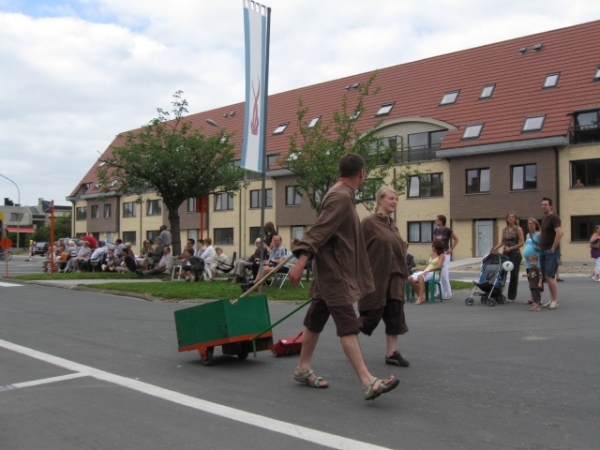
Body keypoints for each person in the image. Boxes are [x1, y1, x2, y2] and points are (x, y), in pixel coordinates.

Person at [288, 153, 399, 401]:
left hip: (329, 270)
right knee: (348, 324)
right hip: (334, 273)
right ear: (361, 173)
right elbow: (320, 230)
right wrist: (301, 260)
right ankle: (368, 381)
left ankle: (303, 368)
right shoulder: (340, 197)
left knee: (315, 318)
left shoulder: (337, 192)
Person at [358, 186, 410, 368]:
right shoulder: (368, 223)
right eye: (390, 198)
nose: (394, 201)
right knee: (372, 315)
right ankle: (349, 337)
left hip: (395, 276)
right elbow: (358, 249)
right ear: (380, 200)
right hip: (376, 277)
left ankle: (391, 353)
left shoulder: (393, 224)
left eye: (396, 199)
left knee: (395, 314)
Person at [491, 211, 524, 302]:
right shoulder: (504, 229)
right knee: (501, 274)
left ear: (515, 219)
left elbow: (521, 243)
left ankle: (511, 296)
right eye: (509, 217)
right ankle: (498, 293)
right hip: (505, 253)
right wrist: (494, 248)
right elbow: (502, 242)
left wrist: (512, 248)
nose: (511, 218)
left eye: (513, 217)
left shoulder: (518, 229)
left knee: (514, 275)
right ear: (507, 219)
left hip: (515, 253)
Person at [539, 197, 563, 310]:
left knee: (550, 275)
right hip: (543, 250)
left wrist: (553, 248)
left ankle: (555, 300)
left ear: (551, 206)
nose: (543, 206)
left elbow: (559, 233)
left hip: (550, 251)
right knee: (547, 276)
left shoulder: (554, 218)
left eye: (546, 205)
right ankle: (552, 298)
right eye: (542, 205)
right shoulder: (544, 218)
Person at [408, 240, 446, 305]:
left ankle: (420, 298)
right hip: (426, 272)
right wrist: (417, 268)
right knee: (410, 278)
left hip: (434, 273)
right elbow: (425, 267)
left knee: (420, 276)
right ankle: (420, 296)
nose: (432, 247)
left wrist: (428, 271)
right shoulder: (432, 254)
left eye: (433, 246)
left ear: (436, 247)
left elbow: (438, 266)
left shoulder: (442, 255)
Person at [433, 214, 459, 300]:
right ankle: (438, 292)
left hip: (445, 253)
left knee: (444, 274)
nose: (436, 221)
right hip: (438, 254)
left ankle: (448, 293)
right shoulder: (436, 231)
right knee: (438, 273)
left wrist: (451, 248)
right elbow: (435, 242)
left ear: (441, 221)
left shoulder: (448, 230)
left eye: (437, 220)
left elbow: (456, 239)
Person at [522, 218, 541, 304]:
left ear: (536, 224)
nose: (530, 225)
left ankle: (537, 298)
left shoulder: (538, 234)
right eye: (529, 223)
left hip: (536, 261)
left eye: (532, 223)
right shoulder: (528, 235)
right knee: (531, 280)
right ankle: (532, 297)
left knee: (536, 279)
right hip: (528, 262)